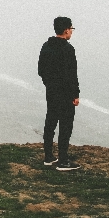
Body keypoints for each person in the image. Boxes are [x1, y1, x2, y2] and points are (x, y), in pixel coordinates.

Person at [37, 16, 82, 171]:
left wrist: (49, 84)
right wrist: (75, 95)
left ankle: (48, 157)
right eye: (71, 29)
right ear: (65, 30)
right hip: (65, 94)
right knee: (65, 126)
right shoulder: (68, 49)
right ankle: (63, 160)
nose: (72, 32)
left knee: (50, 122)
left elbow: (41, 70)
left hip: (51, 92)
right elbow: (71, 75)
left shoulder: (46, 46)